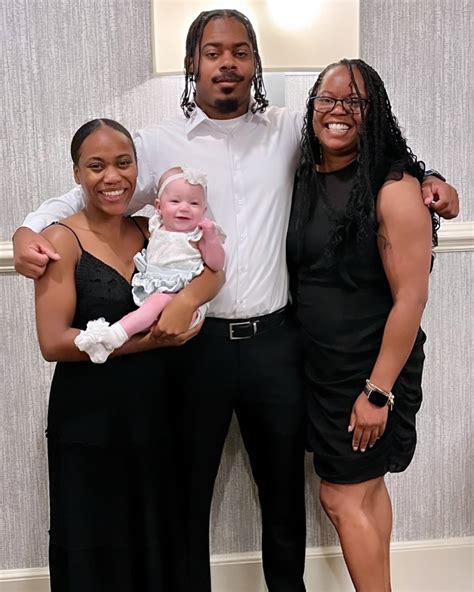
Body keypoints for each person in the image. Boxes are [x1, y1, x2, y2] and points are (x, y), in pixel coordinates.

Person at [15, 9, 459, 592]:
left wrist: (430, 179)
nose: (227, 63)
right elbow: (90, 189)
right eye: (213, 52)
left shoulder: (290, 130)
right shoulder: (157, 145)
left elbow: (364, 145)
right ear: (192, 63)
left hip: (278, 343)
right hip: (194, 347)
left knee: (283, 495)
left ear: (255, 63)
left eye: (240, 52)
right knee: (187, 492)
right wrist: (27, 229)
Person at [34, 118, 223, 591]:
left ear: (138, 169)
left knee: (157, 531)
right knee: (96, 536)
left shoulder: (150, 229)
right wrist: (148, 341)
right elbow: (53, 342)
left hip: (158, 410)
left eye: (123, 163)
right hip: (89, 416)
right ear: (77, 173)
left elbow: (212, 271)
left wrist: (186, 300)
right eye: (96, 166)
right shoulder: (61, 239)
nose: (112, 177)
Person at [287, 59, 438, 591]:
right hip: (323, 366)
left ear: (374, 113)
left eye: (354, 101)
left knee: (340, 496)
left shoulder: (392, 187)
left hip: (369, 367)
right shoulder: (306, 171)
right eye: (327, 99)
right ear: (312, 107)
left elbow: (411, 299)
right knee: (367, 492)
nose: (338, 110)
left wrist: (377, 391)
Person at [74, 165, 225, 363]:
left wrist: (211, 237)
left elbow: (216, 264)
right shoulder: (154, 226)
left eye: (194, 203)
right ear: (159, 207)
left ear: (204, 210)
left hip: (183, 296)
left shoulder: (197, 235)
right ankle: (105, 345)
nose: (184, 208)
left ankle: (114, 336)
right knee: (147, 313)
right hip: (157, 290)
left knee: (154, 305)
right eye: (175, 201)